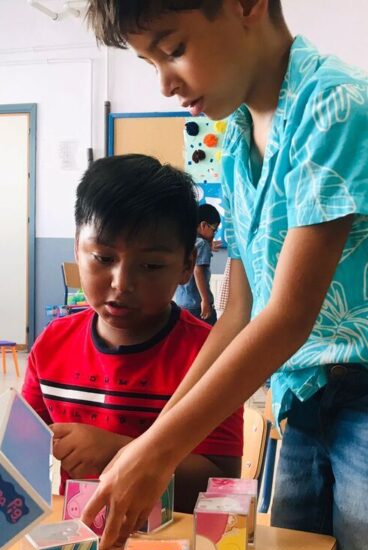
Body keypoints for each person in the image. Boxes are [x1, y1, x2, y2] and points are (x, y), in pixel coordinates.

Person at [84, 3, 368, 550]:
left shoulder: (336, 103)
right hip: (303, 392)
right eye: (148, 62)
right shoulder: (235, 141)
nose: (163, 83)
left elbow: (288, 315)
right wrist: (149, 441)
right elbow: (240, 310)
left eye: (173, 48)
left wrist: (159, 452)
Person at [22, 154, 243, 513]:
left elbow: (221, 485)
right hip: (80, 546)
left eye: (151, 265)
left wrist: (118, 451)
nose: (122, 283)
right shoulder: (52, 344)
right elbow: (20, 453)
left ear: (187, 265)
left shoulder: (209, 355)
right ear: (77, 247)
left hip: (175, 549)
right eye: (104, 258)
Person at [176, 203, 220, 325]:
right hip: (197, 304)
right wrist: (205, 300)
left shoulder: (187, 241)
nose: (214, 234)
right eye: (214, 229)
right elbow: (198, 270)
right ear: (203, 225)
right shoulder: (202, 244)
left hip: (183, 302)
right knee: (210, 337)